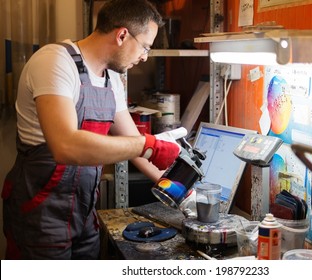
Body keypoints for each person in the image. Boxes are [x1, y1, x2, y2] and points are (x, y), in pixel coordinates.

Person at [2, 0, 182, 259]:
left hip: (84, 213)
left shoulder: (112, 80)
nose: (145, 57)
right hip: (40, 211)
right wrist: (149, 145)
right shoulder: (55, 61)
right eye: (145, 47)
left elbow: (132, 142)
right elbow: (66, 146)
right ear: (122, 35)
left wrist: (178, 189)